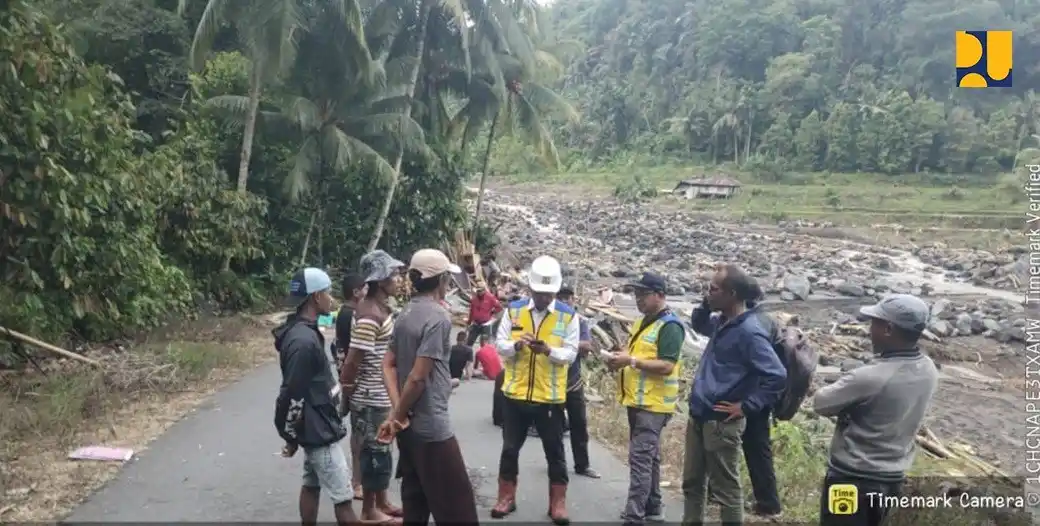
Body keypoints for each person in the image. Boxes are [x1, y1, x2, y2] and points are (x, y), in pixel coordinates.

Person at [814, 294, 938, 526]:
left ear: (888, 329)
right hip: (893, 478)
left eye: (875, 323)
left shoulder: (869, 376)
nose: (870, 330)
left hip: (852, 478)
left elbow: (821, 403)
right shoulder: (928, 368)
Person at [377, 248, 479, 524]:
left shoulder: (405, 313)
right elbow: (418, 377)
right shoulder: (438, 317)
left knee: (416, 501)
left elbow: (388, 364)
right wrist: (397, 415)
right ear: (443, 280)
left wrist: (397, 414)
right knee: (459, 509)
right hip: (432, 427)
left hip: (408, 428)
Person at [683, 264, 787, 526]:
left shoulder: (749, 332)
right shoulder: (722, 322)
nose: (708, 293)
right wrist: (705, 303)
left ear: (731, 294)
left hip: (722, 420)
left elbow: (776, 374)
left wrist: (748, 406)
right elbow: (699, 323)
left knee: (726, 490)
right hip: (700, 412)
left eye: (713, 289)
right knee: (693, 483)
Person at [490, 255, 578, 525]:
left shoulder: (568, 315)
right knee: (509, 449)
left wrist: (549, 350)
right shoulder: (514, 310)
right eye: (540, 294)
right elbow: (499, 344)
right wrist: (517, 345)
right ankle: (506, 497)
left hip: (548, 397)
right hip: (515, 394)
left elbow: (571, 354)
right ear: (531, 289)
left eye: (549, 294)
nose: (544, 299)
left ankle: (557, 503)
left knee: (555, 453)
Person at [273, 268, 359, 525]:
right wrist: (288, 433)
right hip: (319, 430)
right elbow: (291, 393)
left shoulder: (305, 332)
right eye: (328, 292)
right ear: (316, 296)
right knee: (343, 498)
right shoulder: (302, 341)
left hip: (315, 425)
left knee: (311, 484)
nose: (331, 298)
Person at [604, 273, 683, 524]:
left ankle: (634, 515)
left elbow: (667, 365)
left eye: (643, 295)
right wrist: (619, 360)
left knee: (640, 459)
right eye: (636, 295)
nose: (638, 300)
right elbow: (633, 353)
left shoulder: (670, 326)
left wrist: (631, 361)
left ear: (659, 295)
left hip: (654, 404)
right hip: (637, 401)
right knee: (651, 457)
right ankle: (652, 506)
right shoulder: (642, 322)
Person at [706, 281, 785, 518]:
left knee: (728, 444)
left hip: (748, 395)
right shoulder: (766, 320)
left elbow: (772, 370)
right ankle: (768, 502)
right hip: (760, 396)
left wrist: (749, 404)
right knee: (757, 448)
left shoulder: (749, 325)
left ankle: (720, 494)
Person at [340, 250, 404, 523]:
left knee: (382, 450)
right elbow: (353, 360)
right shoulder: (369, 316)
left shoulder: (379, 308)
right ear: (379, 281)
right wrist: (348, 393)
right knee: (373, 453)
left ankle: (382, 501)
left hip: (379, 394)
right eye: (393, 275)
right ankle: (369, 510)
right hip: (370, 396)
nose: (399, 279)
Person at [556, 284, 601, 479]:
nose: (566, 301)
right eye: (562, 297)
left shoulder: (580, 321)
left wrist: (561, 345)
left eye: (569, 298)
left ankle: (582, 465)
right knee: (554, 428)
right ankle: (556, 464)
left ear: (574, 300)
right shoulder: (552, 320)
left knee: (579, 425)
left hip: (573, 381)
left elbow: (587, 347)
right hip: (553, 381)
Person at [333, 273, 367, 499]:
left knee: (360, 430)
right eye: (364, 288)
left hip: (348, 378)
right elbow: (350, 353)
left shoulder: (345, 314)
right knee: (360, 432)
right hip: (353, 380)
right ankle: (357, 481)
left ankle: (358, 479)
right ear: (356, 292)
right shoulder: (351, 315)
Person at [466, 280, 503, 346]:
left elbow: (499, 307)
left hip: (485, 325)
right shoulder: (474, 299)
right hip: (475, 324)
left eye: (480, 291)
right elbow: (471, 311)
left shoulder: (490, 297)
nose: (478, 292)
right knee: (469, 342)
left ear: (484, 290)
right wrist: (469, 323)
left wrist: (492, 312)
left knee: (484, 345)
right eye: (477, 291)